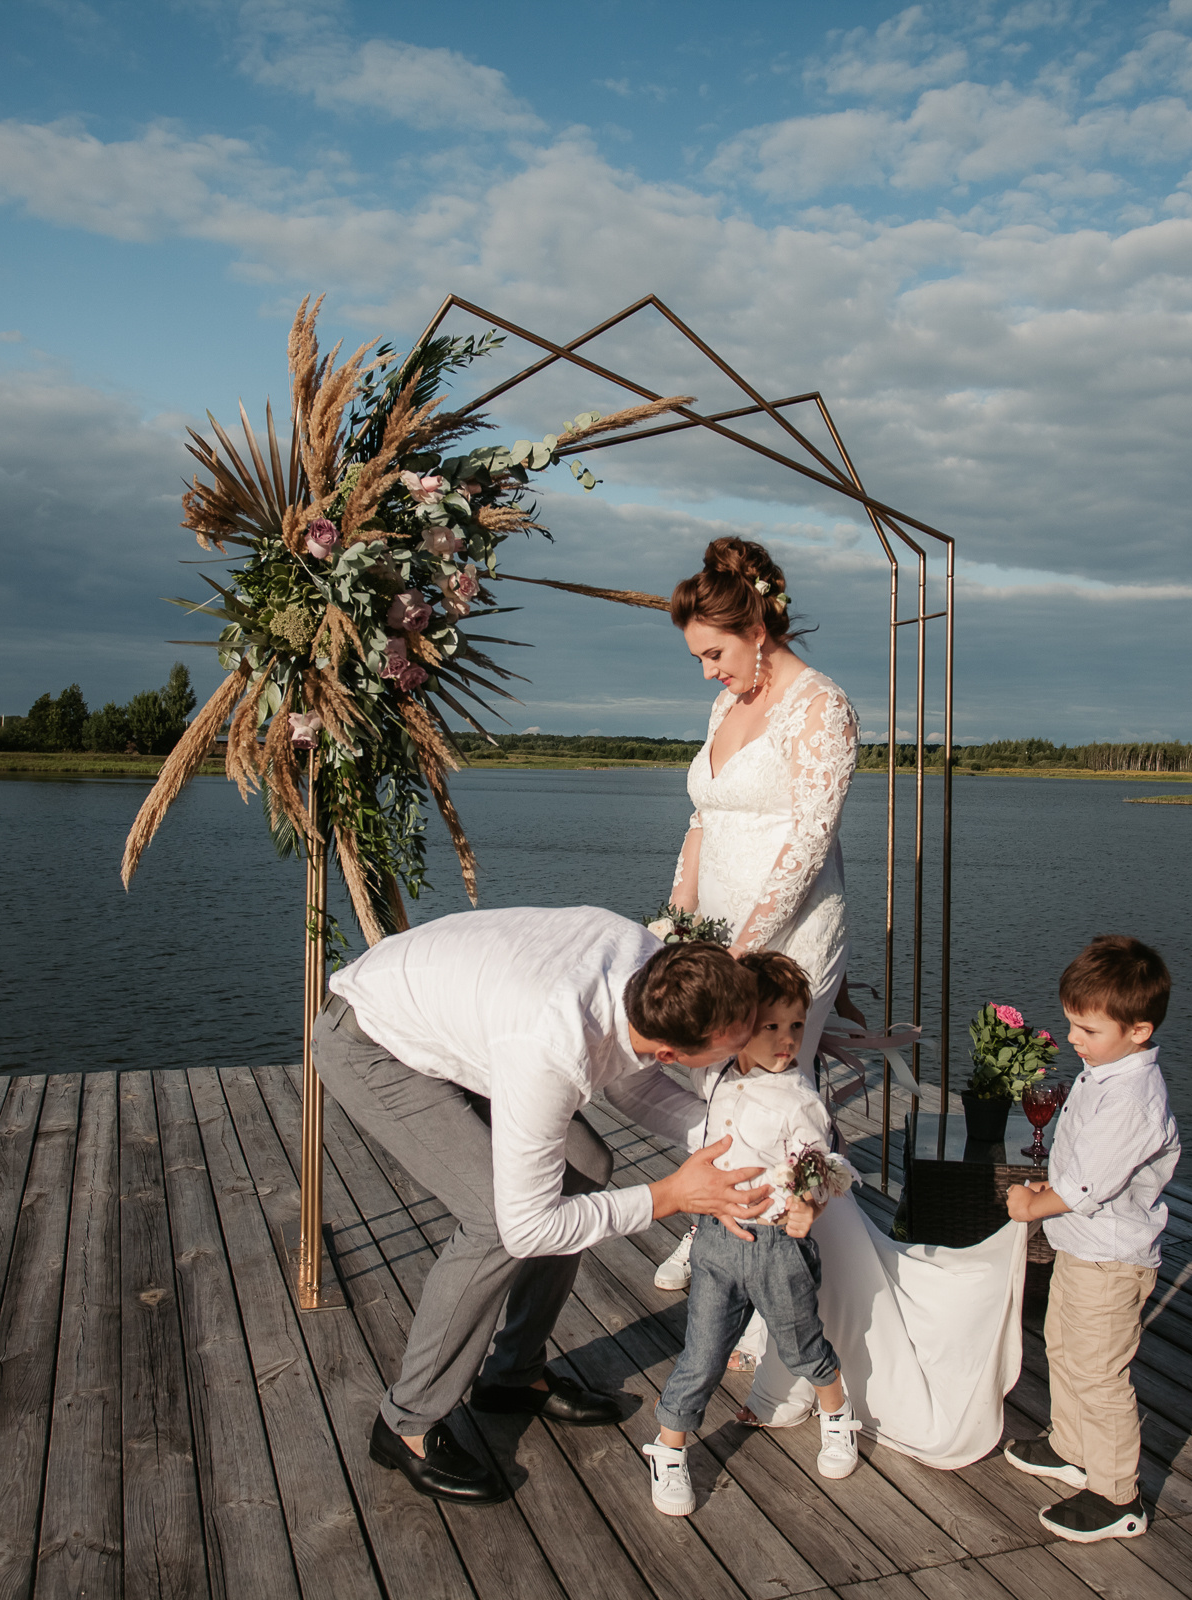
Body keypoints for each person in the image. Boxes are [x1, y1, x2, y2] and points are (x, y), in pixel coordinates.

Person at [316, 906, 773, 1505]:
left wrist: (736, 1130)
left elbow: (629, 1072)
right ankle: (406, 1424)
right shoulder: (551, 1045)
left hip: (466, 1022)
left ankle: (511, 1375)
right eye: (723, 1057)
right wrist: (667, 1197)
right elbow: (528, 1227)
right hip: (370, 1042)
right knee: (493, 1222)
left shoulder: (646, 964)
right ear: (672, 1051)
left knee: (589, 1168)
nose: (733, 1063)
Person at [655, 535, 862, 1297]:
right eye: (700, 660)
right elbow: (702, 820)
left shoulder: (823, 707)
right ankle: (716, 1227)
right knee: (714, 1091)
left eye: (716, 654)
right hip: (715, 930)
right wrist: (677, 931)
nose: (710, 673)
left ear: (757, 629)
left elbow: (810, 842)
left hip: (791, 934)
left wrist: (742, 954)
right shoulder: (724, 703)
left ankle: (786, 1273)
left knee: (778, 1094)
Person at [644, 953, 863, 1514]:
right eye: (771, 1026)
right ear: (739, 1027)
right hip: (716, 1241)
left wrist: (806, 1208)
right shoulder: (715, 1075)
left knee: (801, 1344)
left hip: (774, 1248)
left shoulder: (799, 1101)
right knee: (702, 1352)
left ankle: (838, 1416)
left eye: (796, 1025)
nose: (787, 1040)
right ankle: (669, 1449)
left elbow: (818, 1165)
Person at [1003, 935, 1182, 1543]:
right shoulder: (1105, 1071)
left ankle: (1116, 1494)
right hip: (1083, 1248)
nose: (1074, 1039)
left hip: (1110, 1257)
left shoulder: (1132, 1098)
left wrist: (1033, 1202)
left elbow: (1090, 1184)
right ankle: (1072, 1447)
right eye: (1072, 1023)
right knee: (1063, 1347)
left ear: (1138, 1030)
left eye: (1088, 1029)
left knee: (1100, 1372)